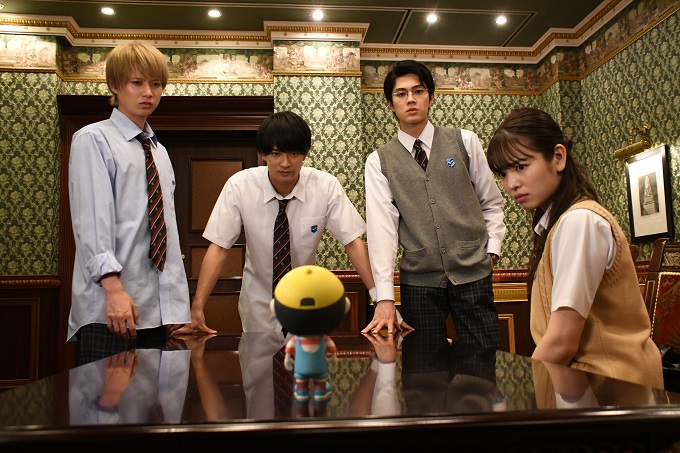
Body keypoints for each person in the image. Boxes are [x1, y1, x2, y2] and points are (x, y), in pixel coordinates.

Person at [486, 107, 663, 388]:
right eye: (503, 174)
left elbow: (562, 341)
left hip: (614, 389)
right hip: (590, 386)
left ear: (558, 157)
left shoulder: (579, 221)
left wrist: (525, 394)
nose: (511, 184)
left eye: (520, 167)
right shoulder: (561, 223)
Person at [174, 111, 376, 335]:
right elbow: (219, 248)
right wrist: (197, 308)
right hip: (258, 304)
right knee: (257, 356)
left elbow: (352, 242)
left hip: (306, 301)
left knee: (306, 357)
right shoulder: (240, 186)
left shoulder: (325, 186)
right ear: (263, 154)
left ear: (305, 154)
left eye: (294, 153)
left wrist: (378, 298)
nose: (285, 163)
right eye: (276, 153)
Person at [363, 59, 505, 348]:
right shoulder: (379, 161)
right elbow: (382, 232)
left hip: (473, 273)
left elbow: (491, 202)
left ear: (431, 97)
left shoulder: (465, 141)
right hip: (419, 282)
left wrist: (492, 251)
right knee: (424, 367)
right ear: (390, 104)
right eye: (401, 93)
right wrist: (385, 298)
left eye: (418, 91)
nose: (411, 99)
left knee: (484, 358)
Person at [67, 42, 190, 365]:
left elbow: (165, 230)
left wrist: (175, 308)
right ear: (114, 85)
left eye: (156, 84)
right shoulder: (93, 140)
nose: (148, 92)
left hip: (157, 312)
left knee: (156, 398)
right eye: (137, 82)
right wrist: (113, 290)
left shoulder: (159, 152)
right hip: (109, 308)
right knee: (108, 398)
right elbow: (92, 222)